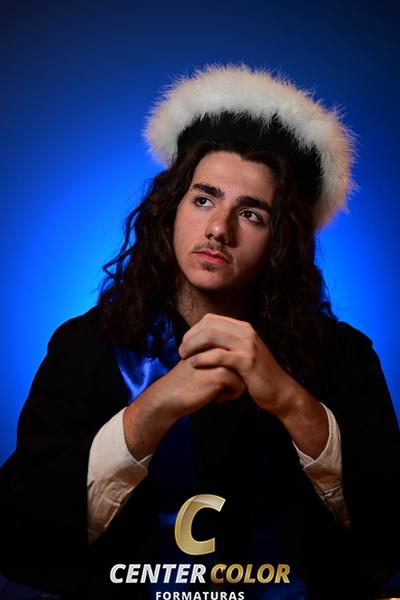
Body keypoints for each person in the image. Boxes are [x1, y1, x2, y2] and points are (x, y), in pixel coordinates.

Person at [0, 64, 399, 600]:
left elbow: (389, 535)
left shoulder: (343, 356)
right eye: (204, 198)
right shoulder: (85, 346)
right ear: (172, 208)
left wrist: (290, 401)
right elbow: (21, 535)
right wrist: (150, 411)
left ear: (281, 241)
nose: (218, 228)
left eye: (252, 214)